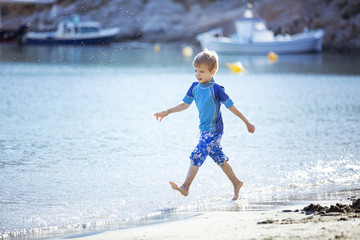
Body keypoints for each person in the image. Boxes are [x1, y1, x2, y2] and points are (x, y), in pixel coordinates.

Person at [154, 49, 255, 200]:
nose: (198, 74)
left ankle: (185, 186)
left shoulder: (216, 89)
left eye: (202, 71)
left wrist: (247, 122)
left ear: (213, 72)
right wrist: (167, 111)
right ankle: (236, 182)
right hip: (204, 131)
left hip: (214, 131)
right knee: (219, 159)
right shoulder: (194, 87)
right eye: (195, 70)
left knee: (197, 154)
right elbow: (185, 105)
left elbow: (231, 107)